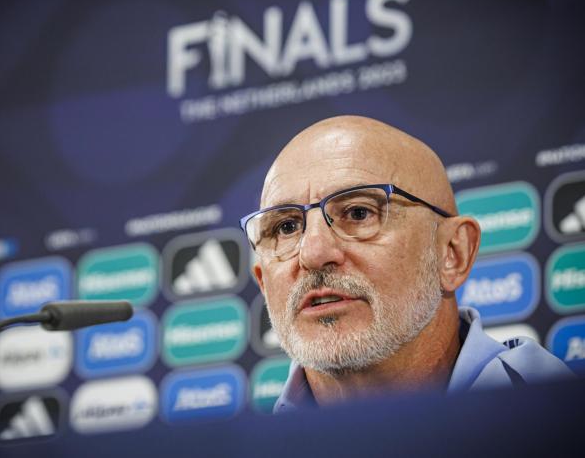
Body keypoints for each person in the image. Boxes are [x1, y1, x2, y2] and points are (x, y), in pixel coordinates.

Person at [239, 115, 574, 412]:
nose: (313, 254)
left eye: (359, 213)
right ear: (263, 283)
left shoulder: (561, 419)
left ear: (452, 253)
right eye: (286, 227)